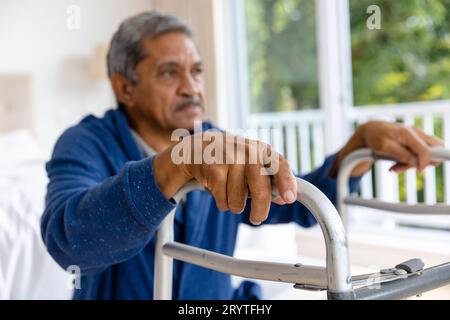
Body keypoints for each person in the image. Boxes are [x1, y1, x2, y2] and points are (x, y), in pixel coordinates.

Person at [41, 11, 443, 300]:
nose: (191, 87)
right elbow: (69, 241)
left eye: (196, 71)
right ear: (124, 87)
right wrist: (176, 162)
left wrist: (357, 146)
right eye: (169, 73)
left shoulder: (214, 143)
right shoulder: (86, 142)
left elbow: (296, 205)